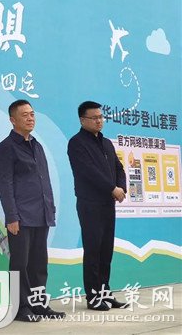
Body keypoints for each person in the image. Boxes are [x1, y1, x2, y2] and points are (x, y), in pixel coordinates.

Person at [0, 100, 65, 322]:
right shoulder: (6, 147)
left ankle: (39, 304)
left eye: (32, 114)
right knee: (20, 264)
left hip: (41, 214)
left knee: (39, 264)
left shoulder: (37, 146)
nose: (30, 118)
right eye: (24, 115)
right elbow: (4, 183)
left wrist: (49, 209)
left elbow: (44, 181)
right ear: (12, 120)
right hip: (21, 216)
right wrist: (11, 216)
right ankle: (21, 307)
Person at [68, 101, 128, 311]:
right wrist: (112, 188)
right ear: (82, 120)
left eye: (101, 117)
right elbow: (89, 172)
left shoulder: (107, 143)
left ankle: (105, 293)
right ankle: (93, 297)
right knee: (93, 251)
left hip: (107, 204)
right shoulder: (76, 143)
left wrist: (121, 187)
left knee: (106, 251)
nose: (99, 121)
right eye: (94, 118)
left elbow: (118, 168)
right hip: (90, 204)